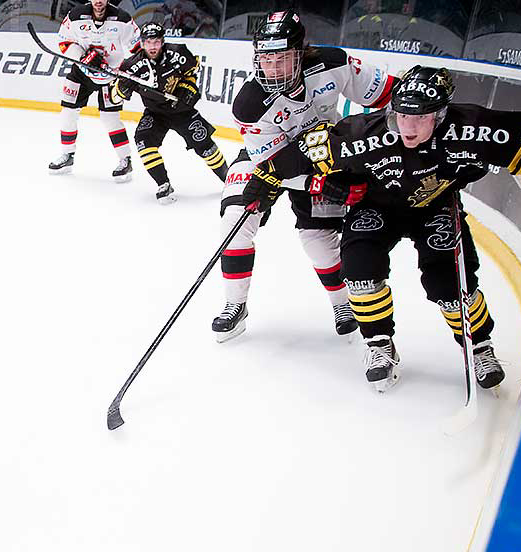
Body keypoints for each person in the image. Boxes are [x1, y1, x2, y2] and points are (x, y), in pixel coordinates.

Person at [243, 66, 521, 391]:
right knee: (359, 271)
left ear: (440, 115)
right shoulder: (364, 132)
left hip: (435, 207)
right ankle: (379, 343)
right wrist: (266, 177)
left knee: (450, 285)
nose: (407, 127)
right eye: (401, 116)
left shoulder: (471, 128)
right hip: (376, 205)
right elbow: (307, 151)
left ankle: (480, 345)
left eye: (420, 118)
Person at [211, 11, 395, 342]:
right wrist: (320, 185)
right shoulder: (250, 104)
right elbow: (273, 163)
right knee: (235, 222)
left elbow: (389, 96)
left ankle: (343, 304)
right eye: (266, 60)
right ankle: (235, 305)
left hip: (325, 156)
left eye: (282, 59)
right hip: (270, 159)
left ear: (300, 52)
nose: (273, 68)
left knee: (320, 243)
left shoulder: (333, 64)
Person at [109, 21, 227, 204]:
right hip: (155, 113)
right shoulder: (130, 66)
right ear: (142, 43)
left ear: (162, 41)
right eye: (148, 42)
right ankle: (163, 184)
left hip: (181, 111)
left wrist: (188, 89)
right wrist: (122, 89)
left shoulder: (178, 53)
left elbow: (192, 72)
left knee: (205, 145)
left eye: (156, 41)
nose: (152, 46)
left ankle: (228, 179)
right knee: (143, 141)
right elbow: (115, 98)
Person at [48, 0, 140, 182]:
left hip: (111, 75)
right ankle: (67, 155)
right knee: (67, 113)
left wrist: (128, 71)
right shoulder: (75, 16)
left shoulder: (122, 19)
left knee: (110, 118)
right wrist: (82, 57)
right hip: (81, 72)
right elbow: (64, 40)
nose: (98, 1)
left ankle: (125, 159)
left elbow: (137, 49)